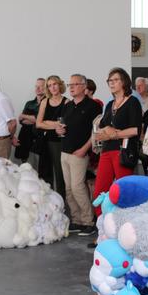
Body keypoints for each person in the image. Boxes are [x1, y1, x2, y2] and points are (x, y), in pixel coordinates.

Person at [93, 67, 142, 217]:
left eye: (115, 80)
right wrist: (104, 132)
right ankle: (102, 223)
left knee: (122, 189)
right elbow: (103, 126)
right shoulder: (110, 104)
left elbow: (136, 130)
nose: (112, 83)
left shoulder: (133, 102)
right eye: (110, 81)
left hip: (123, 151)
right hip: (106, 150)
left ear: (124, 82)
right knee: (100, 189)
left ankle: (125, 222)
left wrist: (114, 134)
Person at [57, 74, 100, 236]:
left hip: (79, 152)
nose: (71, 87)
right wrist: (58, 130)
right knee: (68, 189)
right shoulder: (67, 105)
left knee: (77, 187)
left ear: (84, 86)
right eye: (70, 85)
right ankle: (76, 220)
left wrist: (84, 149)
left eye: (75, 84)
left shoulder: (93, 106)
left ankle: (89, 221)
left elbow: (95, 132)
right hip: (65, 150)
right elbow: (61, 125)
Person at [36, 75, 68, 198]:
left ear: (60, 85)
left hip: (60, 142)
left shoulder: (67, 102)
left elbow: (64, 124)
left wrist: (47, 122)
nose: (52, 88)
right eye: (49, 85)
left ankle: (61, 201)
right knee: (45, 171)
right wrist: (55, 125)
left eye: (54, 84)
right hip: (46, 141)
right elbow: (38, 124)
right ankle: (48, 201)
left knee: (60, 173)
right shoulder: (45, 101)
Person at [15, 78, 46, 167]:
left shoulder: (48, 102)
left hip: (38, 138)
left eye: (41, 86)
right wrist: (34, 119)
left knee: (39, 165)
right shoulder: (29, 103)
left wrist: (25, 116)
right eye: (36, 86)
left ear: (46, 88)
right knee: (25, 165)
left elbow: (40, 120)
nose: (37, 88)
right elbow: (21, 120)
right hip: (25, 137)